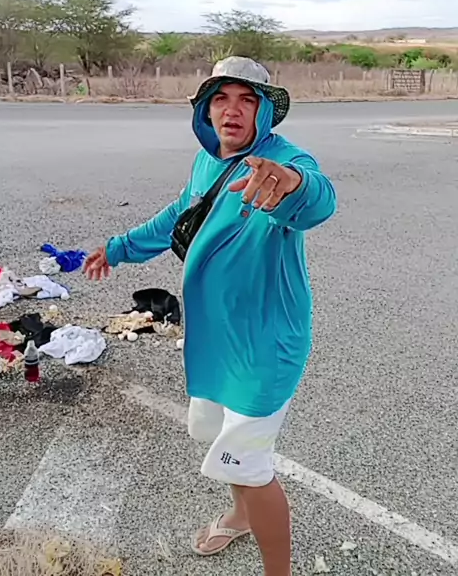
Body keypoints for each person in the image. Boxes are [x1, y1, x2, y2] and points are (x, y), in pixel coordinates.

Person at [85, 56, 336, 576]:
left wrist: (292, 185)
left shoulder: (281, 162)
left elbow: (317, 198)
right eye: (221, 98)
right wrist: (118, 247)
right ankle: (241, 517)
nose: (232, 110)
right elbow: (180, 215)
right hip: (215, 337)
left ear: (265, 111)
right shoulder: (208, 162)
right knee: (220, 437)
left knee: (249, 462)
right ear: (205, 109)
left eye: (247, 100)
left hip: (263, 344)